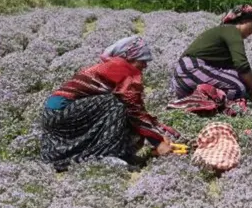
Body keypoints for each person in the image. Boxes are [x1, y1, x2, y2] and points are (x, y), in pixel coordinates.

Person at [41, 36, 173, 170]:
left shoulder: (114, 65)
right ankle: (106, 155)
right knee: (117, 104)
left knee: (122, 109)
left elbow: (137, 109)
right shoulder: (122, 68)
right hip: (62, 112)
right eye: (142, 61)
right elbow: (134, 109)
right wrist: (157, 142)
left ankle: (121, 154)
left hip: (55, 113)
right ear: (131, 58)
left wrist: (158, 135)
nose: (145, 65)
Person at [171, 4, 252, 102]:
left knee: (240, 80)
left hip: (186, 75)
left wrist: (250, 88)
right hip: (189, 71)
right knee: (238, 88)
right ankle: (203, 98)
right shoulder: (232, 31)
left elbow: (236, 70)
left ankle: (202, 95)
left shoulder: (226, 31)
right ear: (243, 21)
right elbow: (242, 64)